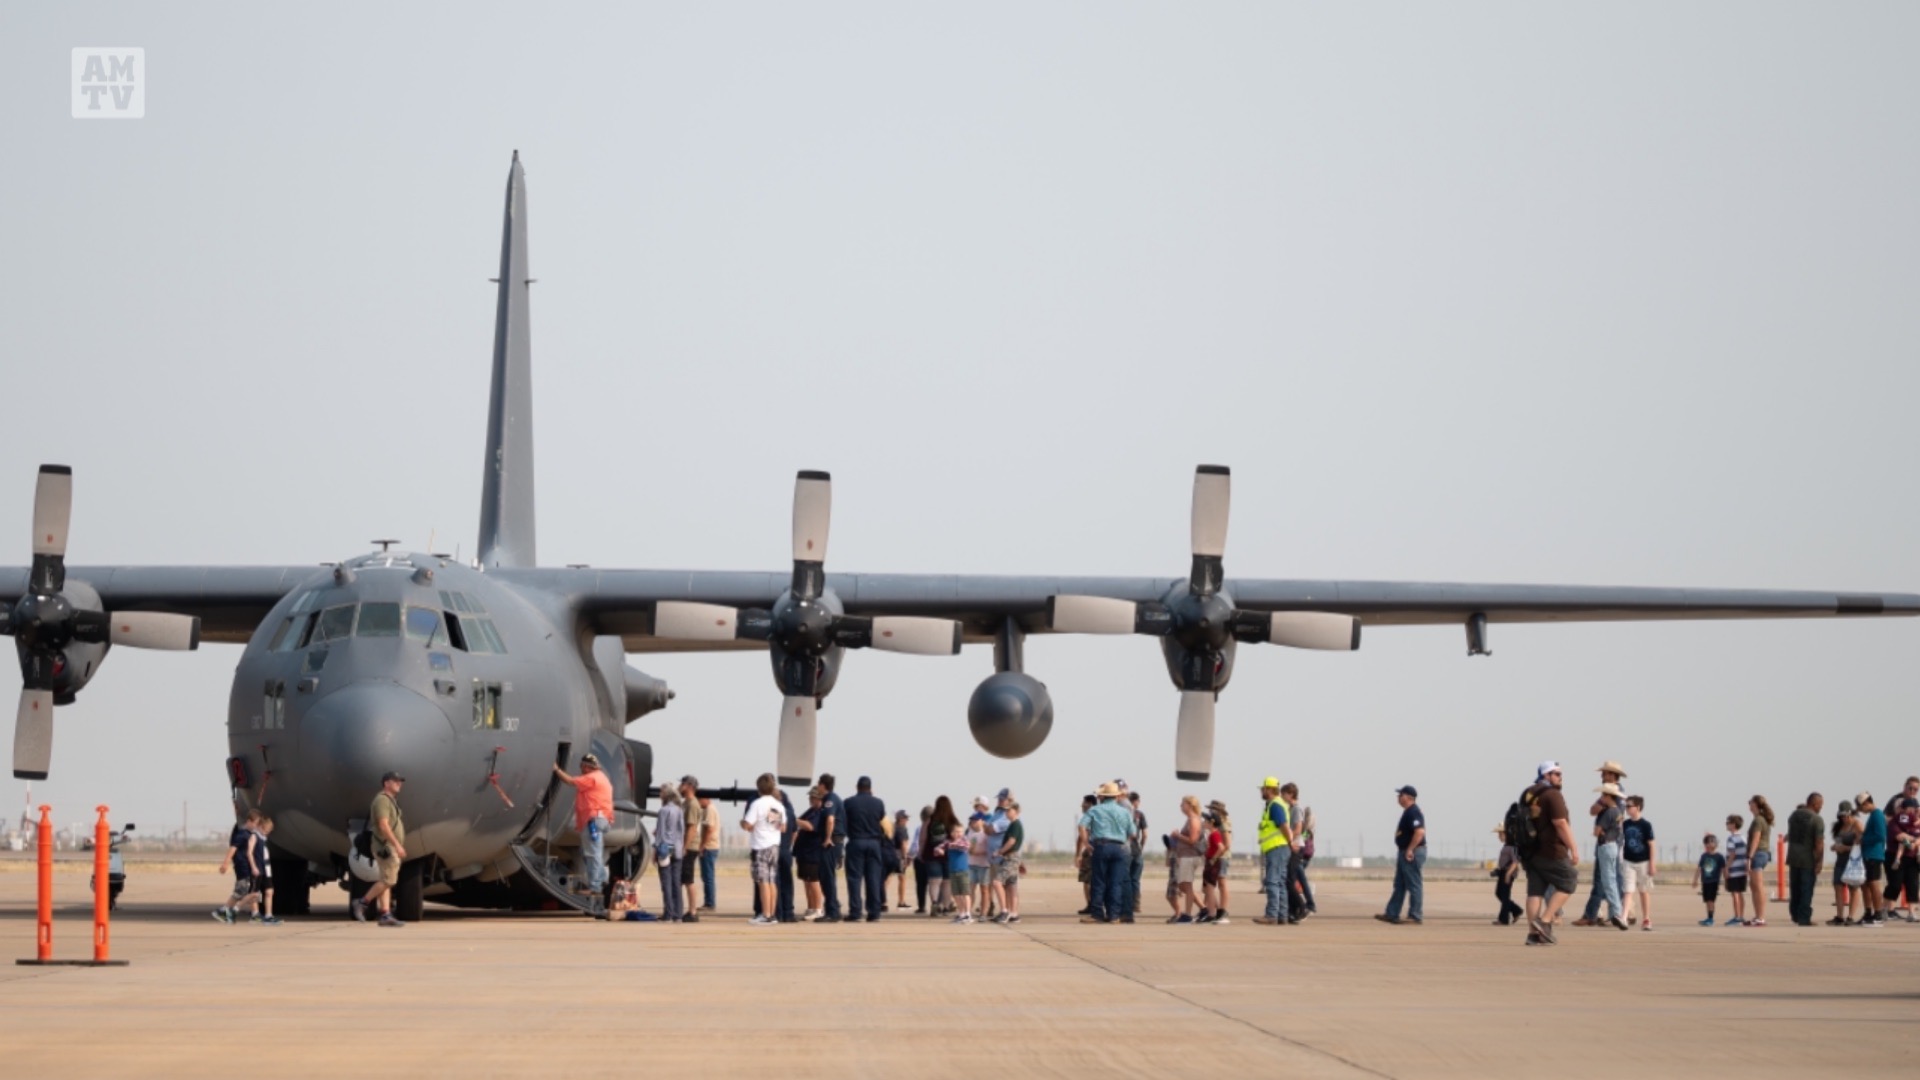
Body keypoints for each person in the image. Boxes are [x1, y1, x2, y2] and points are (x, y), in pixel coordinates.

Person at [1521, 762, 1580, 946]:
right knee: (1569, 880)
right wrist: (1573, 848)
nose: (1560, 777)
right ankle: (1544, 921)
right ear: (1546, 775)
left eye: (1560, 774)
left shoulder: (1528, 793)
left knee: (1535, 891)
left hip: (1530, 851)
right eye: (1556, 774)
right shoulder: (1552, 795)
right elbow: (1560, 823)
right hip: (1552, 850)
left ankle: (1533, 935)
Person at [552, 754, 614, 902]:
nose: (580, 768)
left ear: (587, 767)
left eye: (582, 766)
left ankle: (595, 887)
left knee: (592, 854)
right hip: (600, 819)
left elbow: (570, 781)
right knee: (588, 852)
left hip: (594, 821)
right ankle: (601, 878)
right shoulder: (601, 777)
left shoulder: (591, 778)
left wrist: (556, 769)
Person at [1577, 760, 1630, 924]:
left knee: (1608, 878)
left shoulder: (1615, 793)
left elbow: (1595, 812)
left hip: (1610, 841)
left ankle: (1604, 914)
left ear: (1612, 775)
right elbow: (1593, 810)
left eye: (1605, 773)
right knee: (1608, 878)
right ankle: (1609, 913)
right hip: (1610, 841)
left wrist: (1601, 805)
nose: (1602, 775)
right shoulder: (1612, 794)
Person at [353, 771, 408, 927]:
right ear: (386, 783)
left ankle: (385, 914)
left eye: (400, 781)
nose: (399, 784)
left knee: (386, 879)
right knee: (389, 880)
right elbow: (383, 825)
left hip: (387, 846)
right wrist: (397, 845)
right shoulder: (382, 800)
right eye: (395, 781)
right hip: (386, 847)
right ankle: (362, 902)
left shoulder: (390, 800)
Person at [1079, 782, 1136, 923]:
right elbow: (1133, 833)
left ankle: (1097, 914)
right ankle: (1114, 916)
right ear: (1116, 796)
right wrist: (1124, 841)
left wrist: (1086, 843)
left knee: (1099, 881)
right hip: (1120, 848)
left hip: (1101, 846)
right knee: (1116, 883)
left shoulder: (1095, 810)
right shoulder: (1124, 812)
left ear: (1103, 796)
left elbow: (1082, 826)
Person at [740, 773, 786, 926]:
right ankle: (772, 914)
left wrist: (743, 823)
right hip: (774, 845)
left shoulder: (757, 804)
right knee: (772, 881)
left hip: (761, 846)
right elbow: (782, 827)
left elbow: (747, 825)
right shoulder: (777, 805)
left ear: (758, 788)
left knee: (762, 881)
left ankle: (765, 914)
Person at [1378, 785, 1426, 925]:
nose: (1398, 797)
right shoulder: (1408, 812)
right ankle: (1392, 913)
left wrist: (1410, 849)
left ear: (1409, 797)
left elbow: (1419, 832)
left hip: (1412, 852)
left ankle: (1415, 915)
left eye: (1401, 795)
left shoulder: (1413, 812)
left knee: (1414, 884)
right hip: (1405, 851)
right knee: (1399, 884)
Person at [842, 776, 888, 922]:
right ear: (870, 788)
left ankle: (856, 912)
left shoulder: (848, 803)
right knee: (873, 878)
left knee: (854, 879)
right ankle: (874, 912)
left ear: (857, 787)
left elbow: (843, 822)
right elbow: (882, 820)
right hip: (874, 843)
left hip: (856, 841)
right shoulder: (878, 803)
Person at [1254, 777, 1294, 926]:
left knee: (1271, 881)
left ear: (1269, 789)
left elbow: (1283, 826)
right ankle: (1282, 915)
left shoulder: (1275, 805)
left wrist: (1290, 841)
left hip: (1277, 848)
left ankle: (1271, 915)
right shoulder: (1275, 804)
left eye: (1263, 789)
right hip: (1279, 848)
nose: (1261, 791)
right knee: (1280, 883)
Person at [212, 808, 263, 925]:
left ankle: (255, 914)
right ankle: (222, 911)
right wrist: (225, 863)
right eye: (255, 823)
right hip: (242, 867)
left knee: (251, 890)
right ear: (249, 821)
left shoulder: (250, 834)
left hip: (248, 867)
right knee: (241, 891)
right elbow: (232, 849)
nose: (256, 826)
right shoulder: (242, 834)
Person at [1784, 792, 1826, 928]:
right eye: (1820, 805)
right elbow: (1819, 843)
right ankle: (1804, 918)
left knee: (1795, 888)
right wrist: (1819, 862)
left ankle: (1795, 914)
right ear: (1814, 803)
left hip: (1793, 857)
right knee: (1806, 889)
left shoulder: (1793, 815)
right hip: (1808, 859)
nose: (1821, 807)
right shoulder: (1817, 819)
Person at [1620, 795, 1656, 930]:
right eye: (1626, 806)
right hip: (1628, 861)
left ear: (1638, 807)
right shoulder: (1625, 824)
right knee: (1628, 890)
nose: (1627, 808)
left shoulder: (1646, 825)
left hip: (1643, 862)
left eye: (1629, 806)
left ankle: (1646, 919)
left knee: (1643, 890)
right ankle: (1624, 917)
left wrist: (1652, 864)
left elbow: (1652, 845)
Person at [1168, 795, 1206, 923]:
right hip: (1186, 856)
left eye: (1183, 804)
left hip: (1190, 856)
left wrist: (1177, 835)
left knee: (1187, 885)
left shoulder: (1194, 820)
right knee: (1183, 885)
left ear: (1190, 805)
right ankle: (1203, 909)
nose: (1181, 806)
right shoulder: (1190, 819)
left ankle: (1188, 914)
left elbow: (1192, 840)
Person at [793, 786, 827, 919]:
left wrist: (794, 820)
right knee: (806, 880)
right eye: (810, 797)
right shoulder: (811, 811)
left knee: (813, 880)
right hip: (804, 851)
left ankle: (818, 908)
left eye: (813, 797)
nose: (810, 799)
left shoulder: (820, 812)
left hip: (813, 851)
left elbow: (810, 826)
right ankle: (811, 907)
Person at [924, 795, 961, 916]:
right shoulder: (953, 820)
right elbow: (958, 838)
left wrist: (921, 851)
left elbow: (923, 837)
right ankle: (946, 906)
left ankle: (935, 903)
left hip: (931, 853)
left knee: (934, 880)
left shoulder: (931, 820)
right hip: (948, 854)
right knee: (947, 881)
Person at [654, 783, 686, 922]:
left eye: (661, 792)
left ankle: (668, 913)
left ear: (666, 794)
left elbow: (660, 833)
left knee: (666, 882)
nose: (659, 795)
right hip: (677, 848)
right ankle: (678, 914)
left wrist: (655, 849)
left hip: (665, 848)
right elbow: (681, 830)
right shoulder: (679, 810)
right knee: (676, 882)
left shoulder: (663, 811)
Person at [1280, 785, 1313, 921]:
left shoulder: (1296, 809)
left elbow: (1298, 829)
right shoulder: (1290, 809)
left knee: (1290, 880)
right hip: (1291, 846)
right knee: (1289, 880)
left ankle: (1302, 907)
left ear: (1291, 794)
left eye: (1283, 794)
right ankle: (1293, 910)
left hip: (1295, 847)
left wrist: (1288, 839)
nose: (1282, 797)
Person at [1887, 793, 1920, 924]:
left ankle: (1912, 912)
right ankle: (1885, 909)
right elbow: (1899, 836)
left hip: (1913, 858)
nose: (1913, 812)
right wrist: (1913, 840)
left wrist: (1915, 842)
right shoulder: (1895, 822)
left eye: (1915, 809)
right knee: (1895, 884)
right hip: (1896, 856)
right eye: (1910, 809)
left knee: (1913, 885)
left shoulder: (1916, 822)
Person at [815, 773, 844, 923]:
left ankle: (832, 912)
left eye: (818, 784)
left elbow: (830, 819)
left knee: (827, 878)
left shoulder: (830, 799)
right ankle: (834, 909)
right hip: (835, 842)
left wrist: (827, 838)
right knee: (827, 877)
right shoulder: (832, 798)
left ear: (822, 785)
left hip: (830, 843)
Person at [1856, 792, 1887, 926]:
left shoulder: (1877, 815)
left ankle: (1878, 913)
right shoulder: (1873, 815)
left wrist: (1864, 839)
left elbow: (1880, 836)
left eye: (1861, 807)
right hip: (1868, 855)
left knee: (1874, 885)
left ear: (1866, 803)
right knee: (1866, 885)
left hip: (1874, 855)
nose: (1861, 810)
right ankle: (1868, 913)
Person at [1829, 802, 1861, 926]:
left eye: (1846, 815)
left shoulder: (1856, 825)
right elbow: (1837, 841)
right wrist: (1835, 847)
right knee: (1838, 887)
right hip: (1840, 860)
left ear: (1850, 813)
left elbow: (1861, 844)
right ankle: (1839, 916)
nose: (1844, 818)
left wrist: (1846, 848)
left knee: (1853, 888)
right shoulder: (1839, 826)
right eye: (1841, 816)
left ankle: (1851, 916)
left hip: (1852, 862)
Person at [1746, 795, 1775, 927]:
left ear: (1756, 804)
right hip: (1760, 854)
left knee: (1757, 886)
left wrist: (1749, 857)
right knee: (1754, 886)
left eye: (1751, 803)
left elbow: (1756, 839)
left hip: (1758, 854)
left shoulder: (1759, 820)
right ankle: (1757, 916)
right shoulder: (1759, 819)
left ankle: (1761, 917)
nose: (1749, 805)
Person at [993, 801, 1024, 924]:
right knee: (1011, 885)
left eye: (1009, 810)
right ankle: (1014, 914)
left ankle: (1004, 911)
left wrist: (1000, 851)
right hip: (1012, 857)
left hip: (1011, 858)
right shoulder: (1014, 824)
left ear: (1016, 811)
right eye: (1005, 810)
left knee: (997, 882)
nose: (1006, 812)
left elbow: (1011, 841)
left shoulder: (1015, 824)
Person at [1202, 801, 1233, 924]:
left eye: (1212, 809)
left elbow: (1227, 844)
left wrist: (1215, 857)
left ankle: (1222, 911)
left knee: (1222, 883)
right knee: (1212, 885)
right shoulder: (1218, 824)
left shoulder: (1224, 824)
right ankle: (1216, 910)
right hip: (1218, 856)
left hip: (1222, 857)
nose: (1210, 811)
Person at [677, 776, 703, 923]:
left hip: (690, 846)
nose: (680, 786)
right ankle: (683, 909)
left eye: (682, 784)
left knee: (688, 879)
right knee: (683, 879)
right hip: (685, 845)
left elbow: (692, 828)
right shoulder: (685, 803)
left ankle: (692, 911)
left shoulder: (692, 804)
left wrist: (684, 847)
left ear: (689, 786)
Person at [943, 822, 974, 924]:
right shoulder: (948, 843)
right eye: (956, 832)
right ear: (952, 833)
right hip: (953, 871)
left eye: (960, 831)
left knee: (965, 893)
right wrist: (940, 850)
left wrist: (952, 844)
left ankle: (968, 914)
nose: (958, 834)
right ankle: (961, 913)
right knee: (956, 894)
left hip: (963, 871)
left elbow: (966, 846)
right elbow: (939, 847)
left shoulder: (964, 841)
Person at [1493, 825, 1523, 926]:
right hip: (1503, 872)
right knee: (1499, 893)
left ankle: (1504, 919)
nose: (1499, 836)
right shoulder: (1506, 846)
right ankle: (1516, 910)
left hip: (1508, 872)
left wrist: (1508, 874)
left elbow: (1515, 861)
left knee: (1505, 896)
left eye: (1501, 834)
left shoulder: (1512, 846)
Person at [1723, 815, 1750, 927]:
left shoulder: (1731, 838)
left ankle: (1737, 917)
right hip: (1742, 869)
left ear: (1733, 825)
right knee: (1740, 893)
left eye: (1728, 823)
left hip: (1734, 869)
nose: (1726, 825)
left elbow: (1732, 854)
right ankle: (1741, 915)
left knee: (1734, 893)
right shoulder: (1743, 838)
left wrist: (1727, 867)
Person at [1072, 793, 1096, 915]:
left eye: (1084, 803)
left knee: (1087, 880)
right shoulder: (1102, 815)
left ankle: (1091, 904)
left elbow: (1082, 836)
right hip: (1103, 849)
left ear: (1090, 804)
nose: (1082, 805)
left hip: (1090, 850)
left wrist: (1078, 855)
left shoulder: (1089, 816)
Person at [1693, 833, 1725, 926]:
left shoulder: (1719, 857)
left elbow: (1723, 869)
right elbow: (1699, 868)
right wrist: (1695, 880)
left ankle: (1711, 919)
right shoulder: (1704, 856)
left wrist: (1726, 880)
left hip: (1714, 881)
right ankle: (1708, 917)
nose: (1711, 844)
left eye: (1713, 842)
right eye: (1708, 842)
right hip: (1705, 881)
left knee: (1711, 900)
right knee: (1707, 900)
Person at [1126, 789, 1148, 917]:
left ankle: (1127, 903)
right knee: (1135, 879)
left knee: (1126, 878)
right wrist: (1141, 846)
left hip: (1126, 849)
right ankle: (1136, 904)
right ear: (1135, 801)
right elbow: (1145, 834)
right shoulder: (1140, 815)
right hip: (1137, 850)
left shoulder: (1124, 813)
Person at [698, 794, 721, 912]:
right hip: (710, 846)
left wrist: (702, 845)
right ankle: (708, 901)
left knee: (708, 877)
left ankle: (710, 903)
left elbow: (710, 829)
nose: (698, 803)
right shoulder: (708, 809)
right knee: (706, 876)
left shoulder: (709, 810)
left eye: (699, 800)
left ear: (705, 799)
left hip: (709, 847)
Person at [910, 806, 932, 914]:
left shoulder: (919, 828)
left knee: (920, 884)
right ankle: (937, 904)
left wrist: (911, 855)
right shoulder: (938, 828)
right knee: (935, 883)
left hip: (920, 859)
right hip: (933, 859)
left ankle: (921, 906)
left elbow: (915, 845)